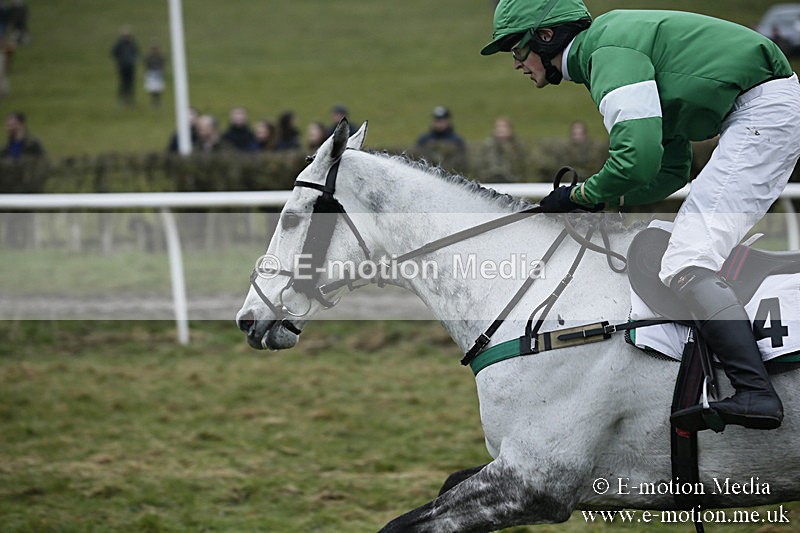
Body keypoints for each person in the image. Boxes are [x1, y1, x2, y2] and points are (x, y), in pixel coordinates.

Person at [481, 0, 800, 431]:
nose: (517, 64)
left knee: (687, 259)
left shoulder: (606, 52)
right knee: (687, 250)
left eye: (516, 50)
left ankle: (756, 394)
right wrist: (601, 203)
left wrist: (582, 196)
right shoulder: (612, 46)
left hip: (761, 112)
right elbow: (667, 169)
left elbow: (635, 159)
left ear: (545, 37)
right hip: (757, 110)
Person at [473, 116, 529, 182]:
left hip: (513, 183)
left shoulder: (518, 146)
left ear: (511, 129)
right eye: (498, 127)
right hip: (490, 182)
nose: (501, 129)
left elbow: (523, 167)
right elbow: (478, 165)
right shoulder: (486, 146)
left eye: (504, 127)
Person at [414, 106, 468, 173]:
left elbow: (461, 163)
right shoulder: (424, 140)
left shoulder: (457, 141)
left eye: (442, 121)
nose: (439, 124)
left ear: (448, 121)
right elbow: (418, 158)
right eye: (437, 121)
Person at [111, 26, 139, 106]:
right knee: (123, 83)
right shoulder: (119, 44)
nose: (126, 37)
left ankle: (131, 99)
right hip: (122, 67)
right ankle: (123, 99)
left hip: (130, 67)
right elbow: (113, 52)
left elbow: (136, 52)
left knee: (131, 83)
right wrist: (119, 60)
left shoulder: (132, 44)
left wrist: (133, 60)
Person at [143, 40, 166, 109]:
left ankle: (157, 102)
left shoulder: (160, 57)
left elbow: (162, 64)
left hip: (158, 73)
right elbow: (146, 64)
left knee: (158, 89)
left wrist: (162, 71)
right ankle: (154, 102)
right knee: (152, 89)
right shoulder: (149, 57)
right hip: (151, 74)